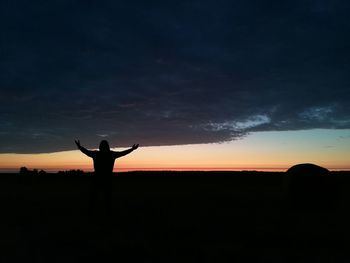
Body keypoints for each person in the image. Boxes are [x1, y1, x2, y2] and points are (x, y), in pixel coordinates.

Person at [75, 139, 139, 215]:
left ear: (100, 146)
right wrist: (132, 149)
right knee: (106, 197)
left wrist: (79, 146)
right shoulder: (110, 154)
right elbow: (123, 153)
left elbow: (86, 151)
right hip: (107, 178)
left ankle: (92, 212)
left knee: (95, 196)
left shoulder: (96, 154)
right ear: (108, 146)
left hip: (98, 178)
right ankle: (106, 212)